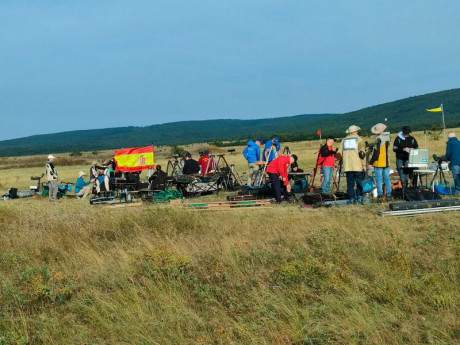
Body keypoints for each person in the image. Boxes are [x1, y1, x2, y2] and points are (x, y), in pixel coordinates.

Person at [339, 125, 366, 204]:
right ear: (355, 132)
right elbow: (362, 153)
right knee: (359, 182)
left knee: (350, 183)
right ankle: (359, 197)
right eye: (356, 131)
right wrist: (363, 164)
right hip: (357, 165)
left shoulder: (343, 140)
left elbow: (339, 153)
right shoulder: (359, 139)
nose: (357, 132)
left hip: (347, 166)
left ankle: (351, 198)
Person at [369, 123, 392, 200]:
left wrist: (370, 163)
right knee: (387, 178)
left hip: (379, 162)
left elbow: (376, 153)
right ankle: (389, 194)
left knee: (379, 179)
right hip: (386, 162)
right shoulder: (388, 137)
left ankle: (380, 194)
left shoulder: (378, 139)